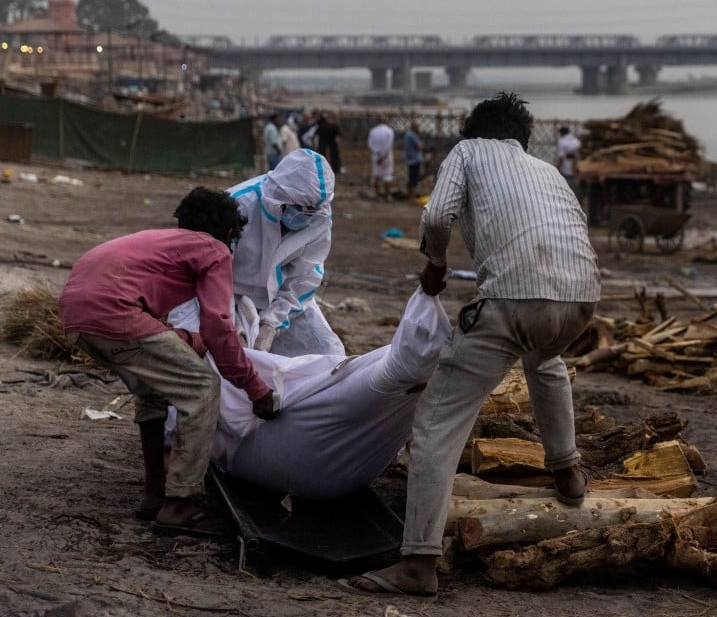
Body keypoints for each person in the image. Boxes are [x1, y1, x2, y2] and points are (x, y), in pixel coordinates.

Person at [343, 92, 601, 597]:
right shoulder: (549, 171)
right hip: (581, 298)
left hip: (514, 297)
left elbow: (437, 216)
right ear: (523, 139)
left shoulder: (466, 153)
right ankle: (568, 469)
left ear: (474, 131)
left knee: (438, 422)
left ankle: (417, 562)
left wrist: (435, 266)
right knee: (543, 359)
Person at [58, 187, 280, 536]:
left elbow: (156, 328)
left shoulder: (159, 242)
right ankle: (180, 503)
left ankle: (154, 493)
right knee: (203, 388)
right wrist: (256, 389)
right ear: (227, 232)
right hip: (113, 312)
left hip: (75, 315)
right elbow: (219, 326)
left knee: (152, 388)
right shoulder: (214, 249)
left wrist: (189, 341)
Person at [168, 286, 451, 499]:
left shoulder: (252, 298)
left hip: (302, 452)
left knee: (357, 378)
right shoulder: (200, 312)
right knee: (368, 381)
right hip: (299, 454)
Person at [229, 148, 343, 357]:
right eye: (299, 207)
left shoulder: (319, 217)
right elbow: (214, 272)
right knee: (235, 359)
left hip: (282, 303)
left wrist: (272, 323)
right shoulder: (238, 205)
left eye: (311, 209)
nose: (304, 214)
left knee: (328, 353)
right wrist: (233, 323)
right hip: (230, 298)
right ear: (281, 194)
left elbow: (304, 278)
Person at [367, 115, 395, 200]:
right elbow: (389, 145)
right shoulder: (389, 131)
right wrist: (383, 155)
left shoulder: (373, 131)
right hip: (386, 156)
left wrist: (377, 153)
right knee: (387, 175)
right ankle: (388, 195)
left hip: (376, 156)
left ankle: (377, 194)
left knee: (376, 175)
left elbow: (370, 144)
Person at [555, 125, 582, 198]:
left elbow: (561, 157)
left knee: (567, 188)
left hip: (566, 168)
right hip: (576, 167)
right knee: (576, 188)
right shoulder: (576, 141)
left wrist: (557, 169)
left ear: (562, 133)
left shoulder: (562, 142)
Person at [315, 109, 343, 176]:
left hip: (322, 147)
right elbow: (337, 139)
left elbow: (315, 136)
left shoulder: (322, 126)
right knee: (333, 161)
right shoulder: (335, 126)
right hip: (332, 148)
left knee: (323, 161)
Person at [403, 120, 424, 201]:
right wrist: (421, 144)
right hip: (415, 159)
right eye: (418, 127)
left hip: (410, 159)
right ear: (415, 127)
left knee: (411, 177)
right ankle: (412, 198)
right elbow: (418, 147)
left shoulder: (407, 134)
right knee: (414, 179)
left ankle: (409, 196)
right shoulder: (413, 135)